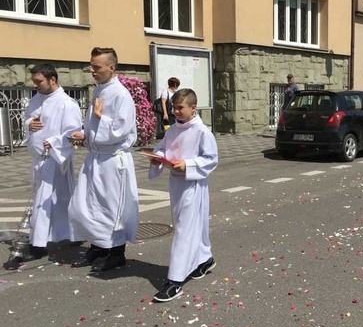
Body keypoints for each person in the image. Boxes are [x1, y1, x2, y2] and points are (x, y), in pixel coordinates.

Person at [69, 47, 139, 272]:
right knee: (89, 204)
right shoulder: (99, 90)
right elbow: (94, 127)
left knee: (112, 208)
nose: (92, 71)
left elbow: (120, 130)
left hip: (112, 161)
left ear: (111, 67)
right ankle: (98, 246)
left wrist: (100, 117)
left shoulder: (120, 94)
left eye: (96, 67)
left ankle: (117, 253)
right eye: (91, 66)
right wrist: (85, 135)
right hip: (96, 158)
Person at [147, 88, 219, 302]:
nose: (176, 112)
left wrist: (187, 165)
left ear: (193, 107)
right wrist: (157, 157)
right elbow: (162, 148)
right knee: (187, 226)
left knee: (184, 230)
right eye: (174, 108)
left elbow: (211, 159)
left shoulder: (202, 131)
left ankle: (175, 281)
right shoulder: (172, 130)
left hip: (193, 184)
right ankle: (205, 259)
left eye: (180, 108)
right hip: (175, 184)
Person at [19, 64, 82, 261]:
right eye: (34, 81)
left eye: (38, 81)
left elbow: (73, 132)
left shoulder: (66, 103)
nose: (34, 85)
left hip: (54, 158)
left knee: (43, 202)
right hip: (39, 158)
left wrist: (54, 142)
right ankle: (73, 233)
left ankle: (38, 245)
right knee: (59, 200)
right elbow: (28, 118)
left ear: (52, 80)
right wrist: (30, 124)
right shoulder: (36, 99)